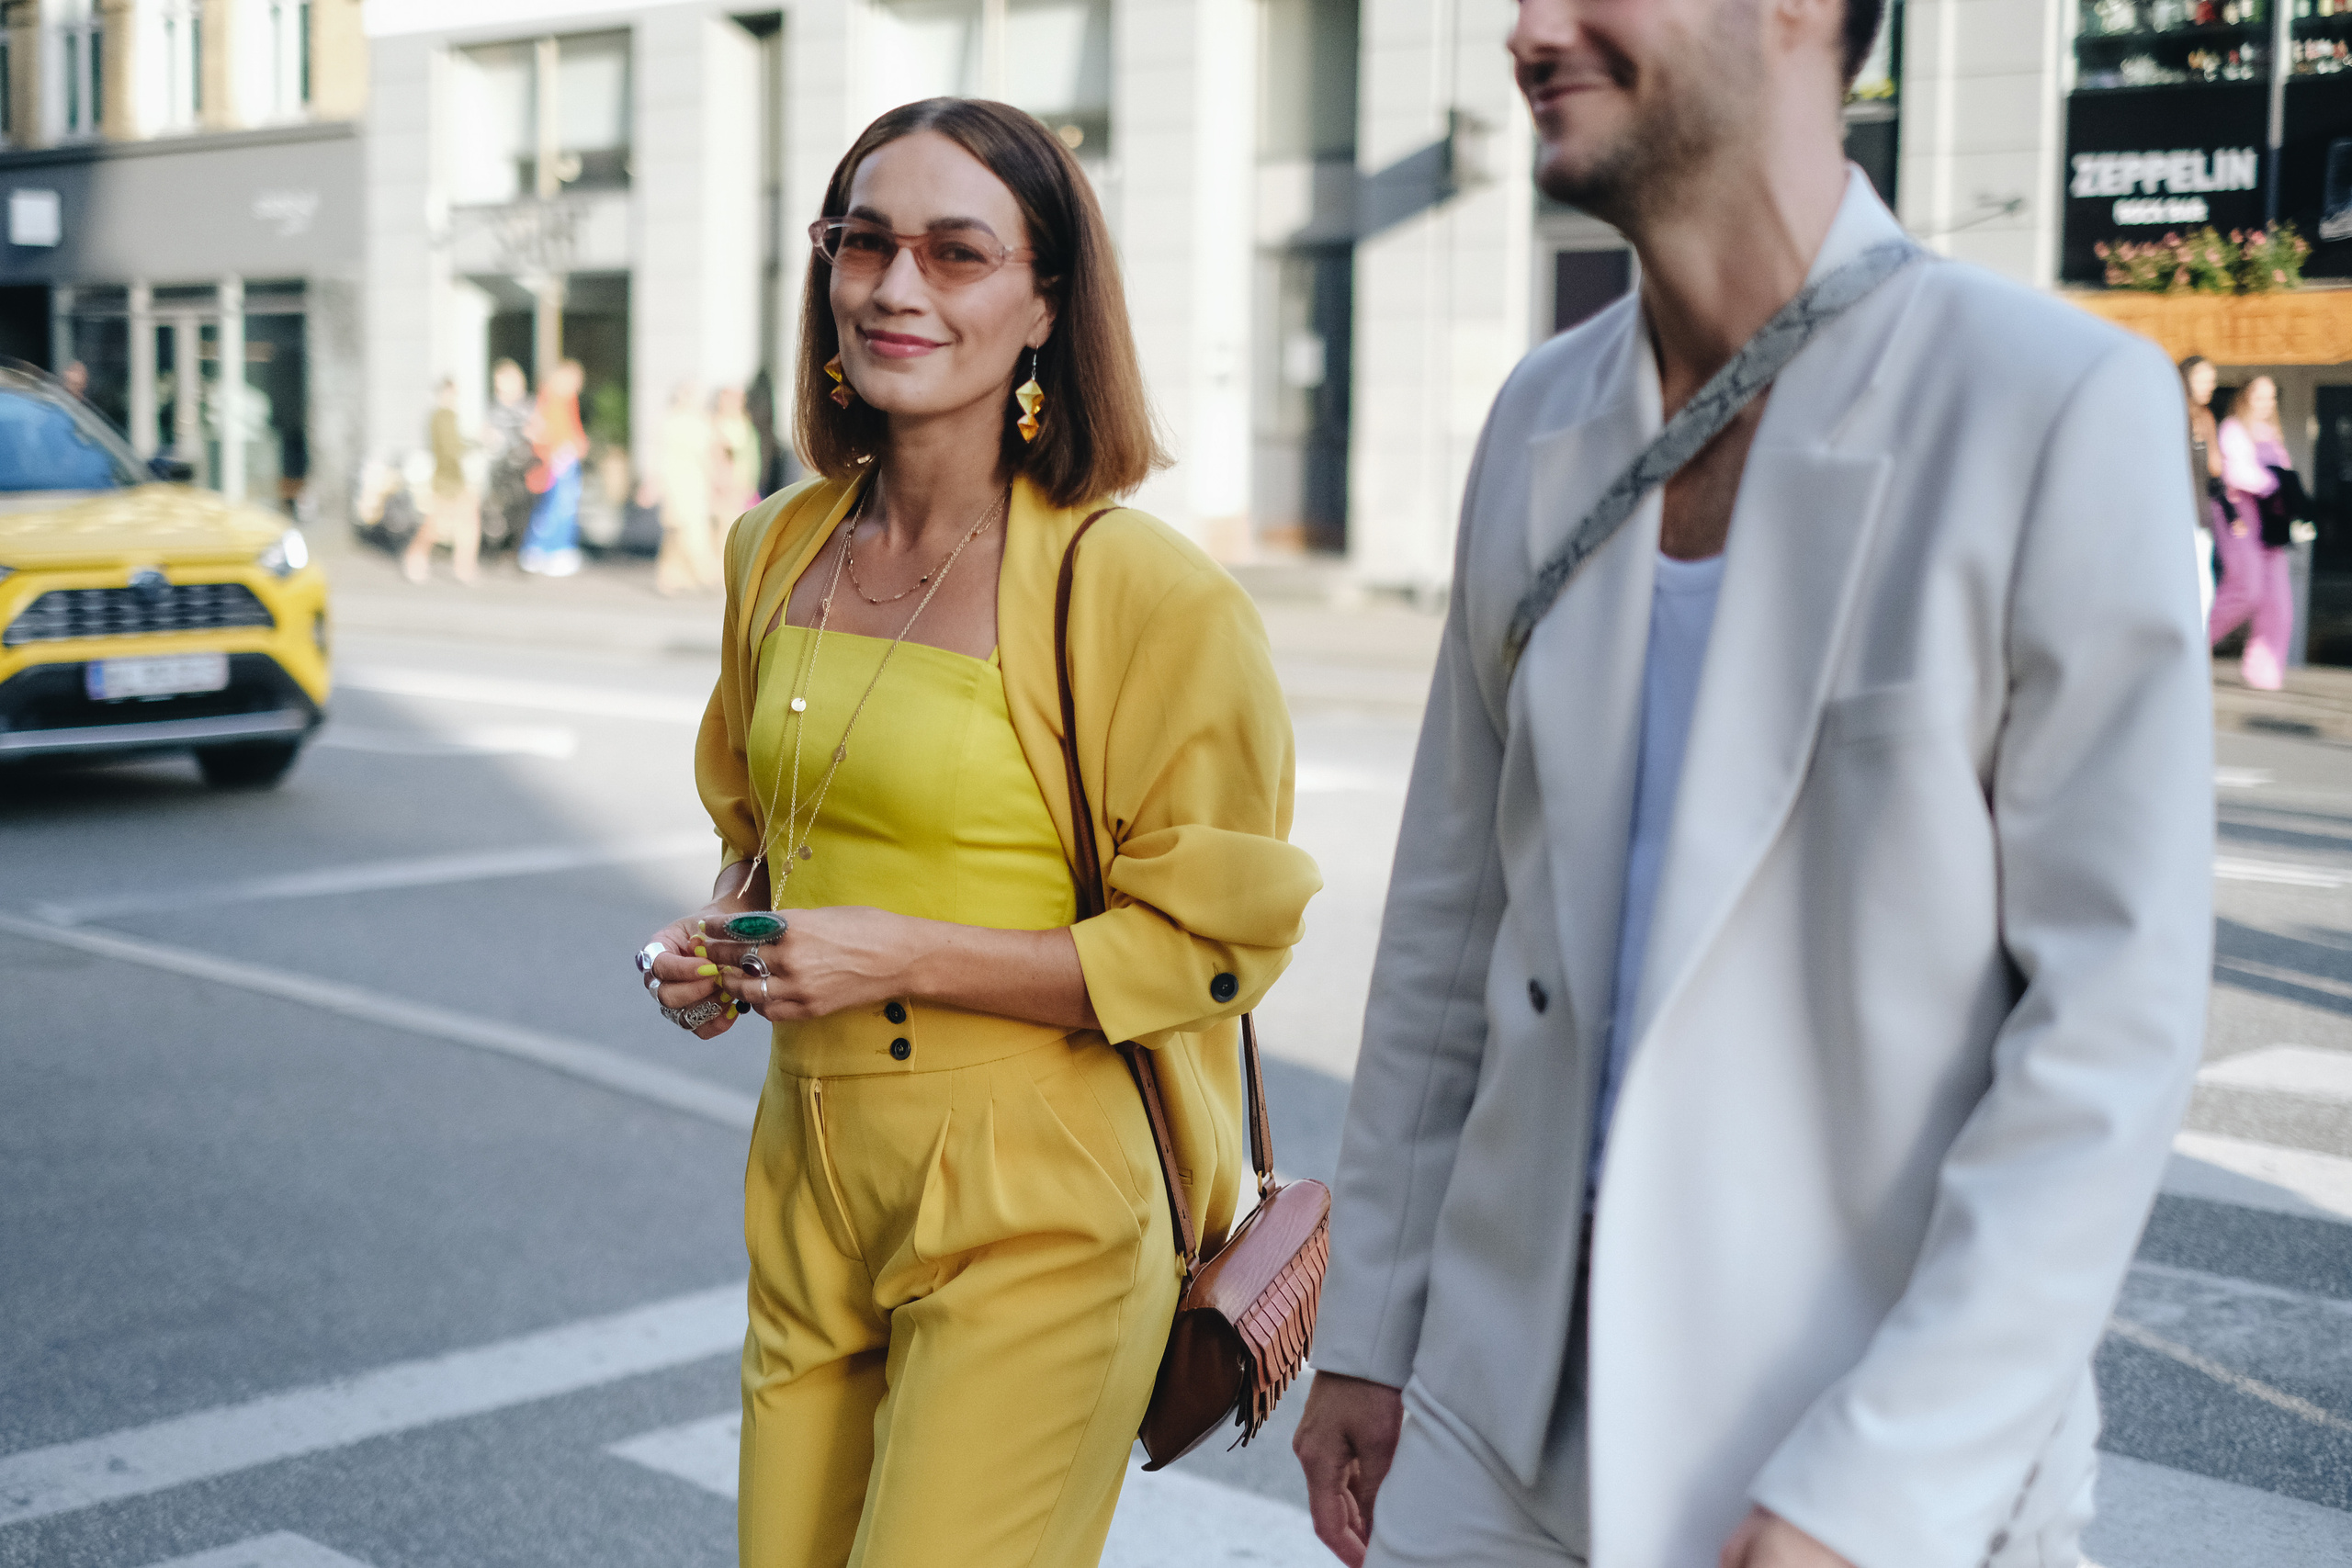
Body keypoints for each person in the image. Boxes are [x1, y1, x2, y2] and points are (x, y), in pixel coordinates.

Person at [1292, 2, 2213, 1566]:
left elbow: (2108, 1034)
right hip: (1497, 1425)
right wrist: (1369, 1322)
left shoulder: (2049, 406)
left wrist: (1876, 1485)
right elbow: (1452, 918)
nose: (1525, 28)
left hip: (1854, 1433)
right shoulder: (1537, 417)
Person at [637, 97, 1318, 1568]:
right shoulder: (777, 543)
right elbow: (763, 831)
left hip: (1042, 1199)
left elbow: (1212, 948)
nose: (897, 287)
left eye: (956, 254)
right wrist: (716, 938)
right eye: (864, 243)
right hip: (811, 1171)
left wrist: (899, 953)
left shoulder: (1144, 593)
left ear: (1043, 305)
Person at [2211, 374, 2300, 691]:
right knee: (2244, 592)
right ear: (2245, 398)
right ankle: (2193, 645)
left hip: (2270, 532)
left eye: (2271, 397)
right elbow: (2238, 473)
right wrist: (2275, 484)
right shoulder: (2233, 429)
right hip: (2240, 526)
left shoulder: (2271, 434)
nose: (2266, 403)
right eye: (2259, 396)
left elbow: (2285, 474)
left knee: (2278, 604)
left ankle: (2264, 673)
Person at [404, 378, 481, 585]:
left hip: (448, 479)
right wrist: (478, 443)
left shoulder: (440, 417)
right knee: (440, 525)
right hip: (449, 480)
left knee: (462, 524)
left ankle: (462, 567)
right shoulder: (444, 416)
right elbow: (451, 450)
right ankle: (420, 561)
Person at [518, 359, 587, 577]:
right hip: (556, 460)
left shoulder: (565, 400)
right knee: (557, 507)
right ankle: (548, 550)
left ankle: (549, 550)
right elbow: (545, 431)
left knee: (561, 506)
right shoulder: (551, 399)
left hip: (564, 457)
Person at [658, 380, 719, 595]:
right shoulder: (673, 421)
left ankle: (677, 576)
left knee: (685, 529)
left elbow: (709, 455)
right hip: (678, 481)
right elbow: (662, 456)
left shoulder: (700, 421)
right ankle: (706, 572)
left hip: (695, 481)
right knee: (685, 528)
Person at [2180, 355, 2222, 625]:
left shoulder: (2205, 417)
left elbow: (2215, 467)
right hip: (2176, 517)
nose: (2210, 385)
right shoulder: (2171, 412)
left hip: (2200, 517)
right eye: (2203, 379)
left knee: (2204, 592)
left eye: (2212, 380)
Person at [482, 358, 535, 552]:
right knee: (500, 509)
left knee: (523, 511)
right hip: (501, 467)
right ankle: (499, 547)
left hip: (524, 467)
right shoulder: (492, 408)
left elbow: (539, 430)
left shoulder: (528, 406)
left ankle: (517, 549)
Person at [711, 383, 763, 519]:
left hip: (741, 490)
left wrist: (750, 484)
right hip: (721, 489)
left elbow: (753, 459)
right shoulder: (715, 424)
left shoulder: (746, 427)